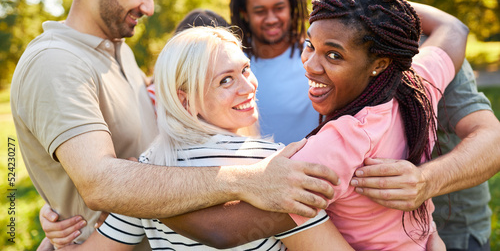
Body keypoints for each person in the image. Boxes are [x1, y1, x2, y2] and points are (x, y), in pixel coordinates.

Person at [12, 0, 339, 249]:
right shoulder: (56, 61)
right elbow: (99, 183)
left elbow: (132, 154)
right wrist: (249, 178)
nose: (149, 7)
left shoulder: (120, 52)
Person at [50, 26, 353, 251]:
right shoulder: (273, 164)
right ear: (185, 102)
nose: (247, 87)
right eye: (225, 80)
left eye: (245, 69)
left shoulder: (146, 170)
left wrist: (53, 241)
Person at [303, 0, 500, 251]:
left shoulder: (416, 61)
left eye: (347, 6)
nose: (336, 14)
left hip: (452, 230)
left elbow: (493, 140)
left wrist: (425, 181)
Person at [229, 0, 318, 144]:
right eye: (260, 11)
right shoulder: (230, 65)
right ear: (244, 13)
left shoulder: (317, 58)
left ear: (292, 7)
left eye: (279, 8)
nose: (271, 19)